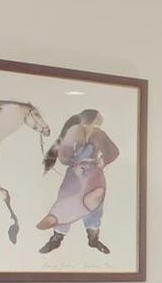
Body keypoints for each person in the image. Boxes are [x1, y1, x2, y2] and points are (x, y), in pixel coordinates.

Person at [35, 109, 120, 255]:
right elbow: (63, 156)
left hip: (95, 176)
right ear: (92, 119)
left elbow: (114, 151)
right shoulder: (73, 131)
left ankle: (93, 239)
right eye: (98, 118)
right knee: (67, 202)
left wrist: (103, 160)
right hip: (75, 176)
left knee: (94, 205)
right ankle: (56, 238)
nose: (100, 120)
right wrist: (75, 165)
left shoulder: (99, 134)